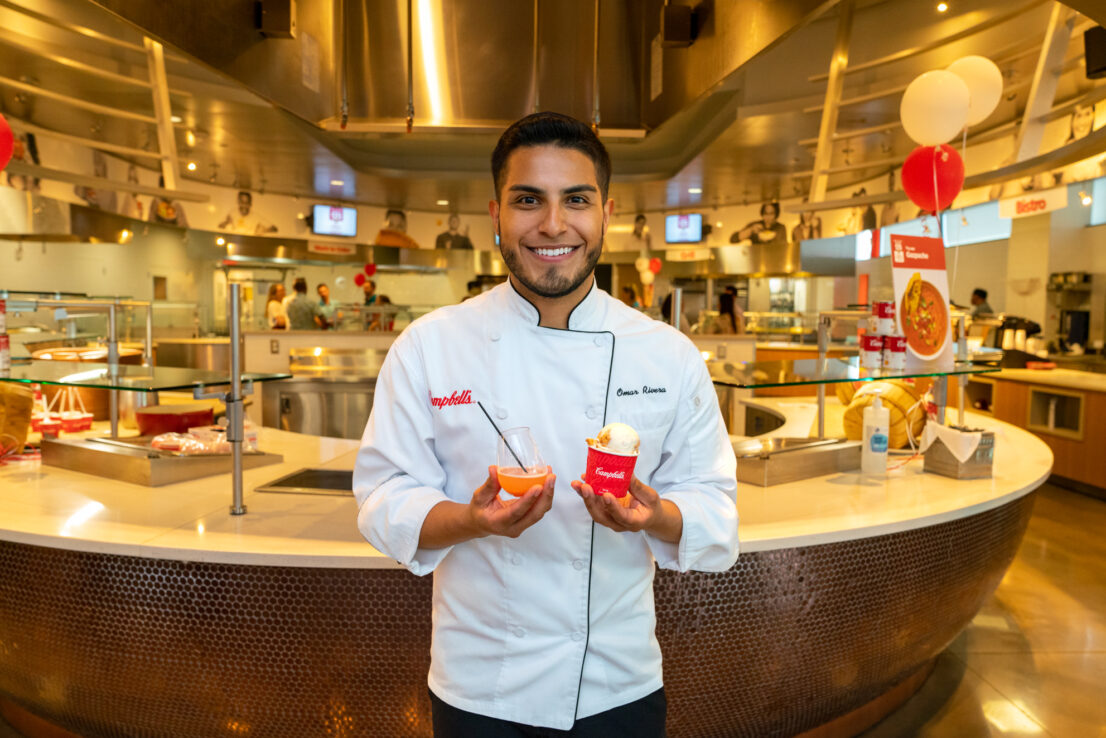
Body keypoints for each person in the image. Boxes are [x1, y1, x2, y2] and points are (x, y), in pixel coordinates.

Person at [353, 111, 738, 735]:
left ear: (606, 213)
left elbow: (715, 507)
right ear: (496, 214)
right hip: (481, 687)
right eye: (528, 200)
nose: (553, 224)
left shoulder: (667, 354)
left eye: (576, 200)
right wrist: (471, 520)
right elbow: (382, 496)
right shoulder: (430, 346)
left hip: (619, 682)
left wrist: (653, 515)